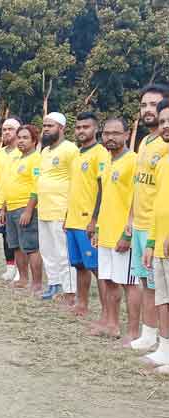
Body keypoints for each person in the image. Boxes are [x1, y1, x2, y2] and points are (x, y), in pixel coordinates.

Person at [129, 84, 169, 351]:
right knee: (145, 280)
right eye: (143, 105)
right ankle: (148, 333)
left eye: (153, 105)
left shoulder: (165, 147)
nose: (148, 110)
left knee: (159, 286)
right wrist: (131, 218)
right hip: (141, 223)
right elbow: (138, 184)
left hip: (158, 225)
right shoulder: (144, 141)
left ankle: (161, 341)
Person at [92, 118, 140, 339]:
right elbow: (106, 198)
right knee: (110, 280)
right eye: (106, 133)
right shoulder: (108, 161)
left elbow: (136, 200)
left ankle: (132, 332)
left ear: (127, 134)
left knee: (129, 284)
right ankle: (111, 325)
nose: (110, 137)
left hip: (123, 234)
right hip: (106, 233)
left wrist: (127, 233)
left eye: (115, 133)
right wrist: (99, 228)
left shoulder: (133, 161)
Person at [64, 112, 109, 322]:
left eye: (86, 127)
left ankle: (107, 312)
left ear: (95, 129)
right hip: (73, 220)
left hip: (87, 221)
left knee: (97, 268)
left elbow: (102, 189)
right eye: (78, 127)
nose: (81, 131)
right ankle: (81, 304)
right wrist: (67, 216)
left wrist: (94, 219)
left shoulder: (100, 153)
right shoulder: (77, 155)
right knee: (79, 265)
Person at [37, 112, 78, 302]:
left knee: (64, 253)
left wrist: (71, 211)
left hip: (61, 210)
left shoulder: (70, 149)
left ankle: (69, 290)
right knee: (47, 251)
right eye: (44, 126)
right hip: (44, 209)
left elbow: (77, 181)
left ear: (61, 128)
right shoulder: (44, 151)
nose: (45, 129)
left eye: (50, 126)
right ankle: (54, 284)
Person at [0, 125, 43, 295]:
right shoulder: (16, 159)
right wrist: (3, 208)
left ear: (34, 140)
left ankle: (37, 283)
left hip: (25, 208)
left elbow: (37, 186)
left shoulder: (36, 159)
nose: (21, 141)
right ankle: (23, 279)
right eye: (19, 138)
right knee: (16, 246)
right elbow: (8, 184)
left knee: (31, 247)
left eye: (25, 138)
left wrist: (29, 210)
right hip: (11, 208)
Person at [144, 100, 169, 370]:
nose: (165, 126)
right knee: (163, 298)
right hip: (160, 244)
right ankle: (164, 348)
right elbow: (157, 206)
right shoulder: (162, 162)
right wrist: (151, 242)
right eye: (162, 121)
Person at [0, 117, 22, 281]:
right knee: (6, 236)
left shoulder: (24, 152)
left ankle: (21, 270)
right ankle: (10, 267)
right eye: (4, 129)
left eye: (10, 129)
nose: (6, 132)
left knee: (20, 237)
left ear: (18, 131)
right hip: (1, 202)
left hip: (19, 202)